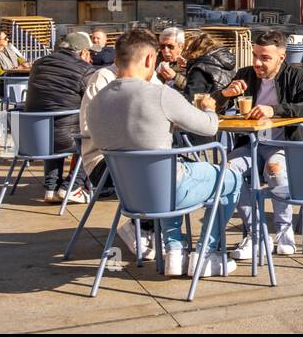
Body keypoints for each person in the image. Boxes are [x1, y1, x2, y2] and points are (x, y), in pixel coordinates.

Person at [85, 28, 242, 278]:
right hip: (166, 191)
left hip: (129, 195)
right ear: (150, 59)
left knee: (168, 170)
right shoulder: (160, 94)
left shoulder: (96, 102)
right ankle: (205, 253)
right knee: (232, 177)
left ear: (116, 59)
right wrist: (210, 107)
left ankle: (175, 253)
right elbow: (209, 127)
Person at [211, 30, 303, 259]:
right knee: (227, 171)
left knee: (275, 169)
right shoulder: (245, 74)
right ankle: (256, 234)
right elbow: (213, 106)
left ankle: (284, 232)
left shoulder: (297, 76)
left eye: (265, 58)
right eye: (255, 56)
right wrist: (225, 94)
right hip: (250, 143)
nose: (257, 63)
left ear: (281, 58)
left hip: (283, 144)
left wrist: (276, 109)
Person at [79, 28, 150, 257]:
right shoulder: (103, 78)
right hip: (105, 160)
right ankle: (141, 227)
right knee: (154, 171)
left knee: (176, 168)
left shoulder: (151, 78)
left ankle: (159, 232)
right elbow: (89, 128)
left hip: (142, 157)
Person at [24, 32, 94, 204]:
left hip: (33, 136)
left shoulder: (38, 64)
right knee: (94, 137)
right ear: (83, 52)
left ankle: (51, 188)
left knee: (54, 129)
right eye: (90, 53)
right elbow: (94, 101)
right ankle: (73, 186)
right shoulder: (84, 69)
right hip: (65, 138)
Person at [182, 31, 237, 102]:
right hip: (224, 109)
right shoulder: (225, 63)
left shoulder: (200, 69)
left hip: (205, 110)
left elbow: (189, 100)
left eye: (185, 50)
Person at [155, 26, 188, 93]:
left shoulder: (191, 62)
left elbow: (195, 89)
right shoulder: (156, 59)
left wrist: (175, 77)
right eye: (162, 46)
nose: (165, 51)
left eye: (170, 46)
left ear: (181, 46)